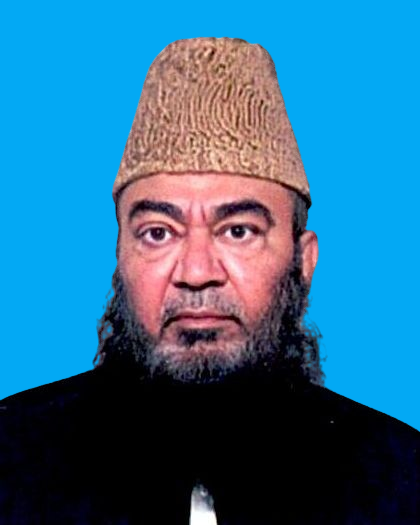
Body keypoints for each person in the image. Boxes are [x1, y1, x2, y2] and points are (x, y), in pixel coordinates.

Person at [0, 37, 418, 525]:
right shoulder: (11, 461)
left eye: (238, 231)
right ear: (119, 259)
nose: (196, 273)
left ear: (303, 263)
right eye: (158, 233)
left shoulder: (403, 480)